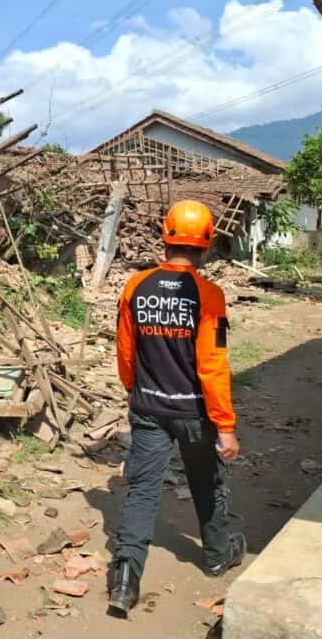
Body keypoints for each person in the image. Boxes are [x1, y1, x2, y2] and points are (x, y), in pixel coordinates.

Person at [108, 199, 246, 618]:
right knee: (207, 484)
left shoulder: (135, 286)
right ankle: (218, 556)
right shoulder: (209, 296)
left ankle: (126, 580)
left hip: (148, 409)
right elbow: (212, 364)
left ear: (165, 239)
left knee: (143, 491)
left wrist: (136, 390)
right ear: (206, 246)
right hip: (195, 414)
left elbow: (125, 351)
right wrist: (225, 425)